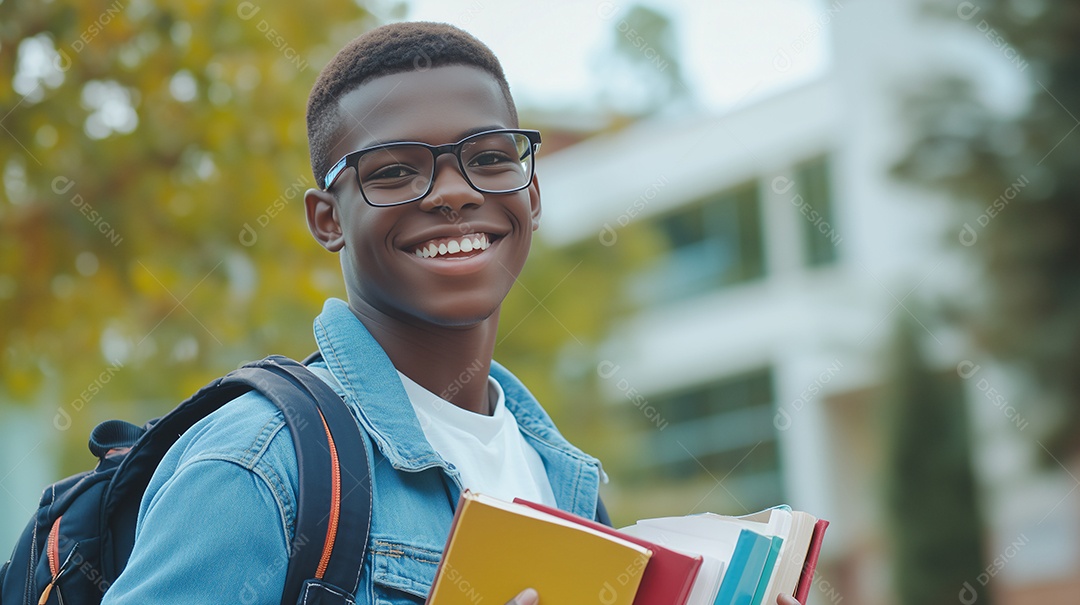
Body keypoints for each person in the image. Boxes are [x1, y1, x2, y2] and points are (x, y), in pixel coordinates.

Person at [101, 22, 803, 605]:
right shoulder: (257, 464)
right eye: (395, 171)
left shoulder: (563, 481)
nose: (453, 193)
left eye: (491, 158)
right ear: (326, 220)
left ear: (531, 191)